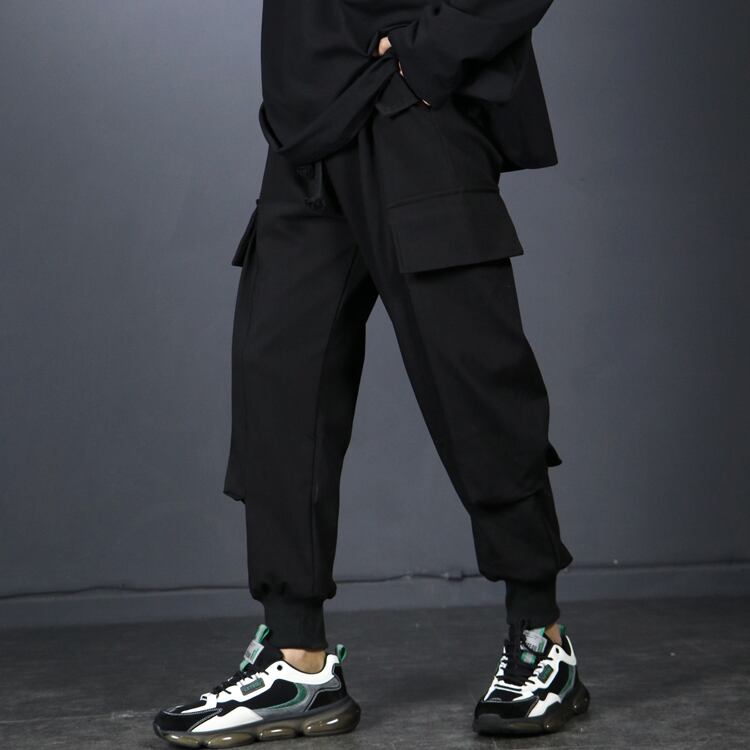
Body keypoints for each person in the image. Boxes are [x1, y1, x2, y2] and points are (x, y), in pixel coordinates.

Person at [153, 0, 591, 745]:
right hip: (306, 129)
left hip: (409, 114)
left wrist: (427, 55)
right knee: (279, 387)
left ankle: (539, 637)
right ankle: (297, 661)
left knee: (474, 383)